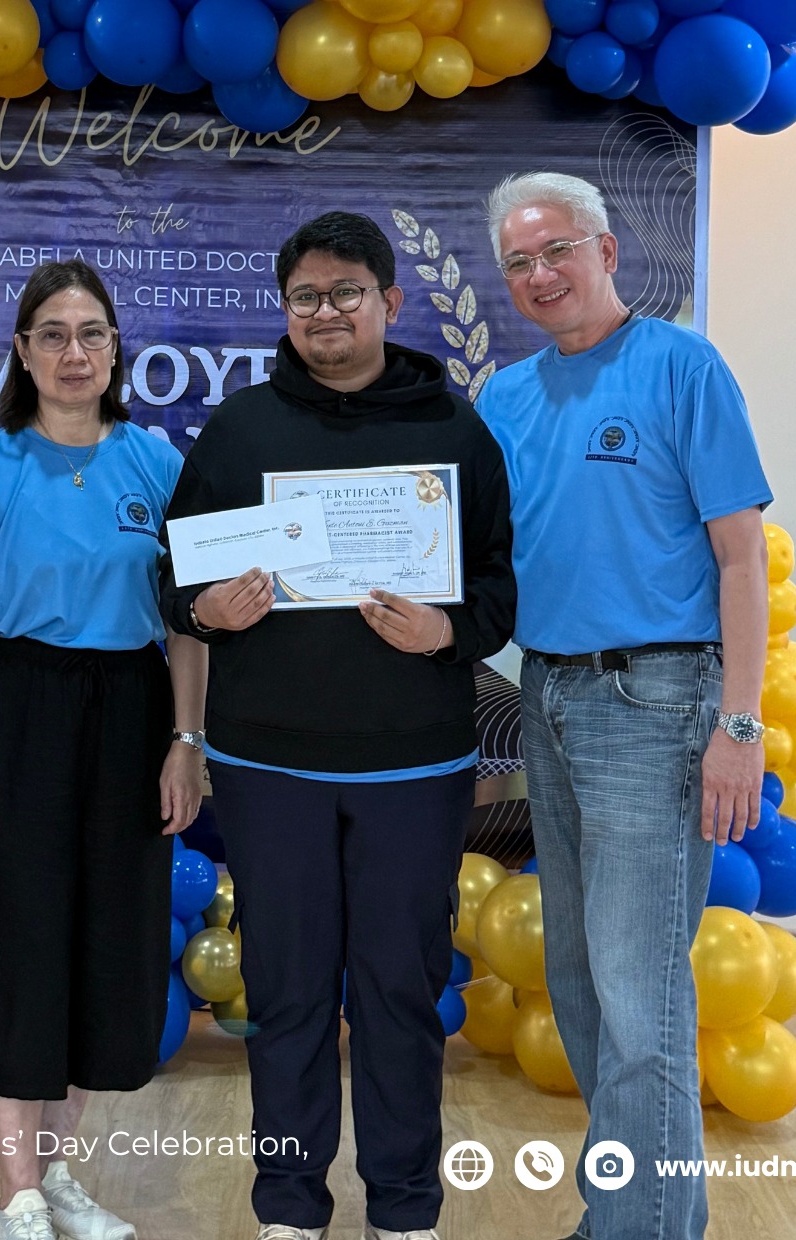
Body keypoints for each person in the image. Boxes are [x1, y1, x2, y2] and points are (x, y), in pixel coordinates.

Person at [158, 212, 516, 1240]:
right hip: (269, 764)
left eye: (346, 293)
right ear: (285, 311)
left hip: (415, 763)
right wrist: (205, 609)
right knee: (286, 992)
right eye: (305, 298)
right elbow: (173, 578)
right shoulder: (240, 430)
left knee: (401, 991)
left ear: (390, 303)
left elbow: (499, 594)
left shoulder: (454, 432)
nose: (326, 313)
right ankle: (288, 1208)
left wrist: (446, 630)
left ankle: (404, 1209)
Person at [475, 172, 772, 1240]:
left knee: (641, 996)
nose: (539, 274)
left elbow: (741, 561)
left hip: (657, 699)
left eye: (557, 249)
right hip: (547, 692)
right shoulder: (503, 399)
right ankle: (633, 1215)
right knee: (584, 986)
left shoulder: (682, 367)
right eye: (518, 262)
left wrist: (739, 726)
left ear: (605, 250)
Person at [0, 260, 208, 1240]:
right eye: (51, 334)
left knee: (107, 944)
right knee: (14, 940)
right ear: (21, 351)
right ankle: (12, 1195)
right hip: (16, 710)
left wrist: (185, 740)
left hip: (131, 712)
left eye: (92, 333)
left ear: (117, 349)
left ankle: (54, 1178)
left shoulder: (156, 465)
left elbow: (186, 622)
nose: (74, 352)